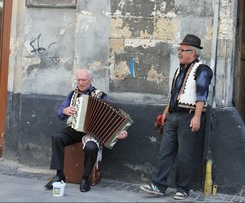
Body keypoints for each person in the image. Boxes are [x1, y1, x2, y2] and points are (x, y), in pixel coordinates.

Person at [139, 34, 213, 200]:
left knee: (185, 154)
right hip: (173, 116)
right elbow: (173, 95)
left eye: (182, 50)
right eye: (179, 49)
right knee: (165, 151)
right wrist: (165, 114)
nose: (179, 53)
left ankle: (183, 188)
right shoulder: (179, 69)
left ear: (192, 53)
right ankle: (158, 185)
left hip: (189, 116)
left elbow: (202, 96)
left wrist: (197, 117)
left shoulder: (203, 70)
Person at [44, 68, 128, 192]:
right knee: (57, 137)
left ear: (91, 80)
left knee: (91, 147)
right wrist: (64, 110)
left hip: (91, 133)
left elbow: (111, 116)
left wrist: (119, 132)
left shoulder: (100, 95)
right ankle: (59, 175)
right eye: (78, 80)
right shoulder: (72, 94)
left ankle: (85, 178)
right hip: (74, 129)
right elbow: (60, 113)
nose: (80, 83)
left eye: (84, 80)